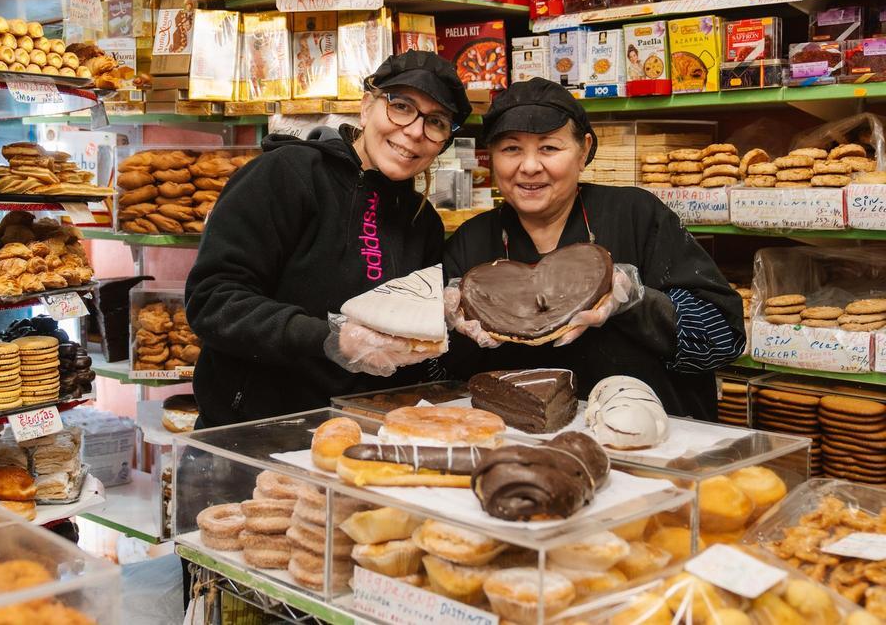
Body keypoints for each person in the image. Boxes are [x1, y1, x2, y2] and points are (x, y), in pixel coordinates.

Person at [185, 51, 473, 427]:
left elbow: (406, 344)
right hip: (255, 431)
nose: (415, 131)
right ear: (366, 107)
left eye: (435, 122)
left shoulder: (423, 222)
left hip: (363, 435)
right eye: (401, 106)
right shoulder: (287, 175)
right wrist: (332, 337)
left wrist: (444, 318)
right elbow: (212, 300)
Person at [442, 78, 745, 419]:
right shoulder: (471, 241)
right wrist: (446, 325)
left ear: (584, 150)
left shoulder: (636, 215)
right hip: (519, 440)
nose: (529, 166)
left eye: (549, 148)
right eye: (511, 149)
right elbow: (443, 376)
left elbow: (723, 338)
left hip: (649, 439)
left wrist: (634, 300)